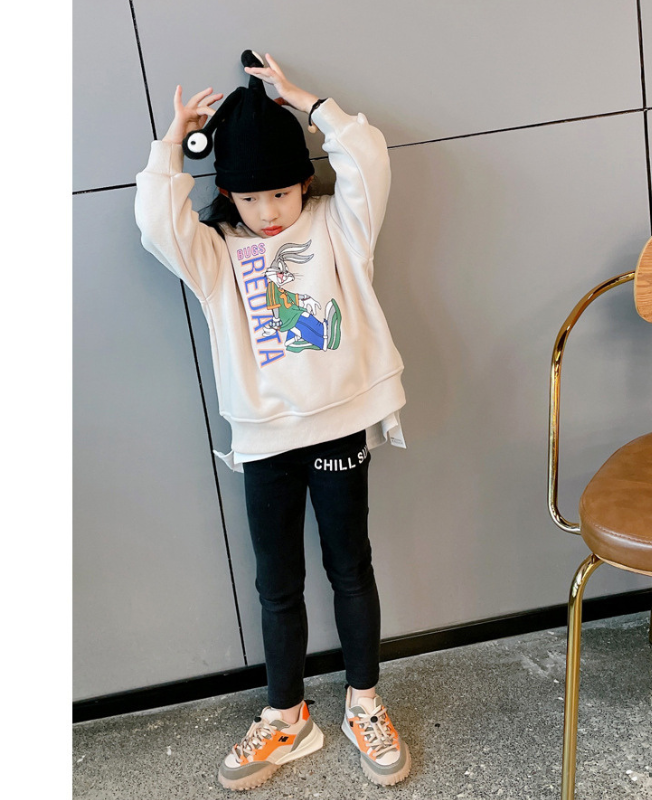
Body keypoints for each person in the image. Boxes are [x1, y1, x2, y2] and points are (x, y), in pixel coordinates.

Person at [134, 50, 411, 790]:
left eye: (282, 192)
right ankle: (288, 717)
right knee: (276, 582)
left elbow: (368, 158)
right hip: (264, 440)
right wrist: (172, 143)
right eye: (251, 198)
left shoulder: (338, 226)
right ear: (228, 194)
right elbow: (157, 223)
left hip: (340, 425)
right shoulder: (216, 253)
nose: (269, 212)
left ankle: (364, 703)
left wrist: (309, 103)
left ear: (303, 183)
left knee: (351, 567)